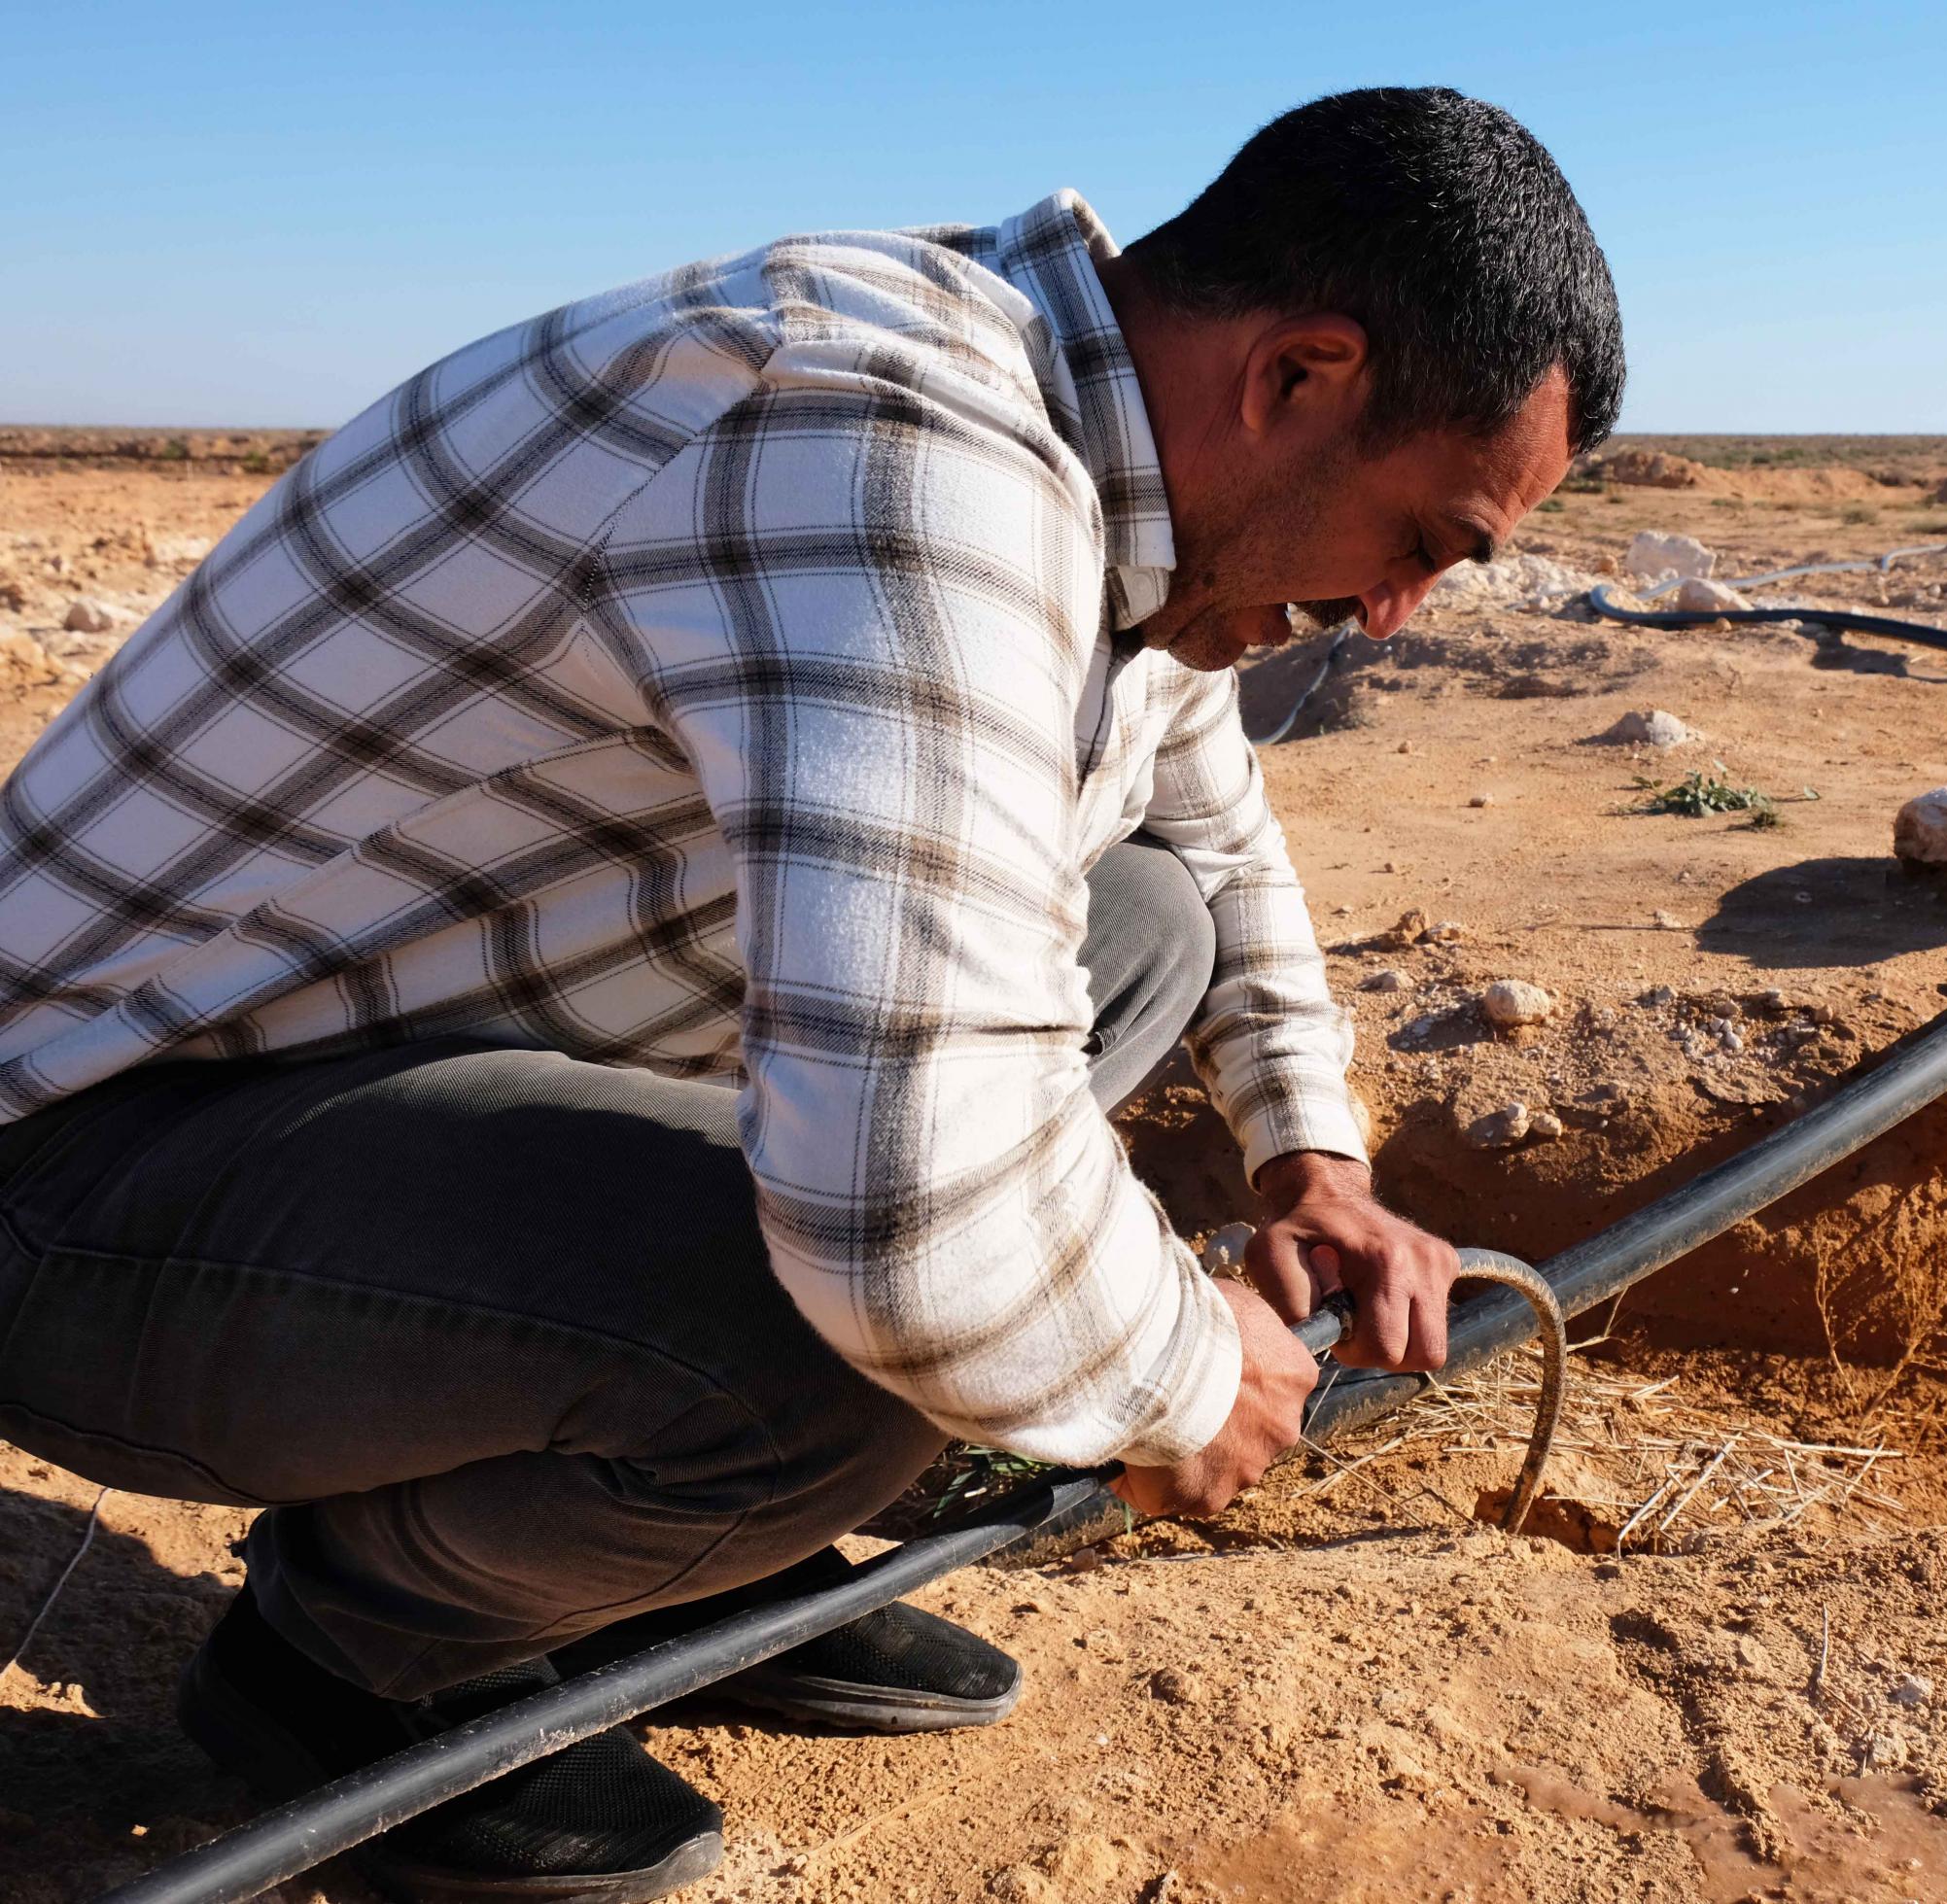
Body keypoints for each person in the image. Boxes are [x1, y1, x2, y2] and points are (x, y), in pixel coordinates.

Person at [0, 86, 1621, 1901]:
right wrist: (1180, 1374)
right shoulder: (899, 451)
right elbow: (913, 1239)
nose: (1397, 611)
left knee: (1140, 916)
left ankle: (680, 1558)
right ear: (1298, 377)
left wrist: (1307, 1168)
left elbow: (1215, 844)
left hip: (363, 1090)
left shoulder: (1100, 467)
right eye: (1428, 539)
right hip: (79, 1175)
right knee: (840, 1349)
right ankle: (352, 1662)